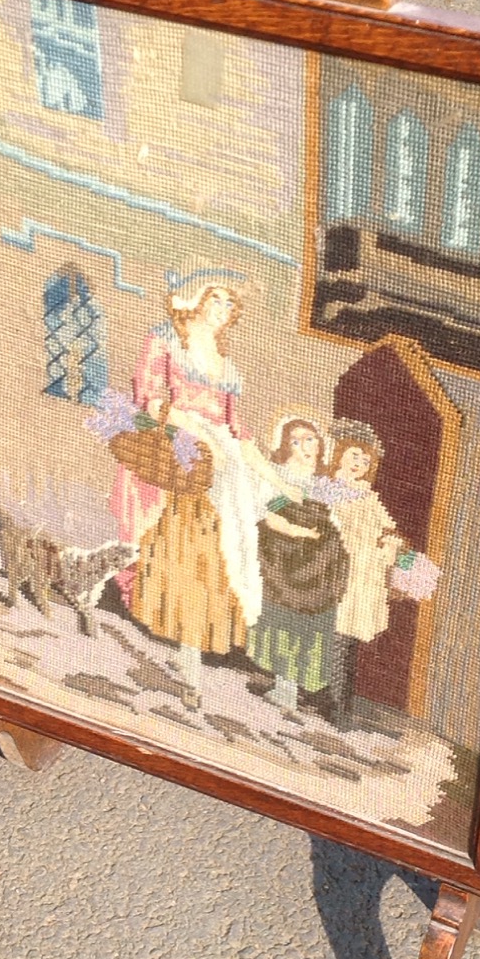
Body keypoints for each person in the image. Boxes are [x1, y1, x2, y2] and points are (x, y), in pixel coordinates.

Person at [111, 273, 296, 689]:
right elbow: (154, 401)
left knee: (229, 550)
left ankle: (195, 653)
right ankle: (182, 647)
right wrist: (200, 433)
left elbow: (238, 431)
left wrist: (274, 478)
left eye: (230, 305)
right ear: (195, 300)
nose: (223, 311)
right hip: (182, 464)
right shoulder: (163, 343)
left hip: (221, 464)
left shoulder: (224, 364)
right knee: (188, 557)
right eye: (217, 299)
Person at [246, 417, 349, 711]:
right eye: (296, 440)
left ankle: (295, 686)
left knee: (310, 626)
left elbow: (337, 520)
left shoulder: (326, 483)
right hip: (284, 557)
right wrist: (300, 532)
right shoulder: (279, 474)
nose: (305, 446)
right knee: (282, 619)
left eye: (310, 439)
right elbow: (268, 514)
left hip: (320, 560)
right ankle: (283, 685)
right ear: (285, 446)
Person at [324, 420, 404, 729]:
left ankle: (341, 705)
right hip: (338, 571)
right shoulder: (329, 489)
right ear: (341, 454)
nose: (359, 465)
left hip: (364, 576)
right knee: (335, 636)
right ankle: (332, 702)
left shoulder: (367, 496)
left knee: (349, 640)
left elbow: (386, 529)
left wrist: (392, 546)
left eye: (366, 461)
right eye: (355, 456)